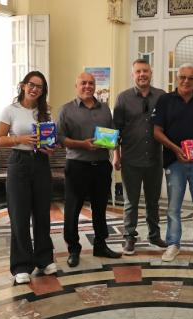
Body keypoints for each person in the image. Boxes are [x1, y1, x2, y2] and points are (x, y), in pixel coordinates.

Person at [153, 63, 193, 262]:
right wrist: (176, 149)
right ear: (176, 78)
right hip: (174, 162)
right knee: (173, 206)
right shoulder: (165, 100)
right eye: (183, 77)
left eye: (191, 78)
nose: (186, 81)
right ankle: (173, 244)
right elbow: (156, 132)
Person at [0, 71, 56, 284]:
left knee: (42, 214)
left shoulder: (45, 111)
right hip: (18, 163)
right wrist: (20, 139)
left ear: (42, 91)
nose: (34, 89)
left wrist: (49, 148)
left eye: (39, 87)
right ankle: (21, 265)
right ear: (23, 85)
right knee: (19, 215)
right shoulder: (10, 111)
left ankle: (44, 258)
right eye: (31, 84)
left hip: (40, 162)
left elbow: (48, 140)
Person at [57, 72, 122, 268]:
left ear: (95, 86)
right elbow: (61, 139)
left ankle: (100, 245)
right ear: (76, 86)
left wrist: (113, 145)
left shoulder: (105, 109)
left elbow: (112, 135)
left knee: (100, 208)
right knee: (73, 209)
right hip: (77, 166)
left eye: (91, 83)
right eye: (83, 83)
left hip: (101, 166)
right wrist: (82, 144)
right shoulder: (66, 110)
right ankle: (73, 249)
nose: (87, 86)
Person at [113, 59, 167, 255]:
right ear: (132, 74)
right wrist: (116, 155)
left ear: (151, 73)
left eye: (145, 71)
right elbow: (116, 129)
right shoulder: (123, 98)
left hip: (155, 158)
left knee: (153, 201)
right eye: (138, 71)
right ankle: (129, 238)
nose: (142, 74)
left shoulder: (162, 96)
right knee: (131, 202)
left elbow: (168, 126)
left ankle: (154, 235)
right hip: (130, 158)